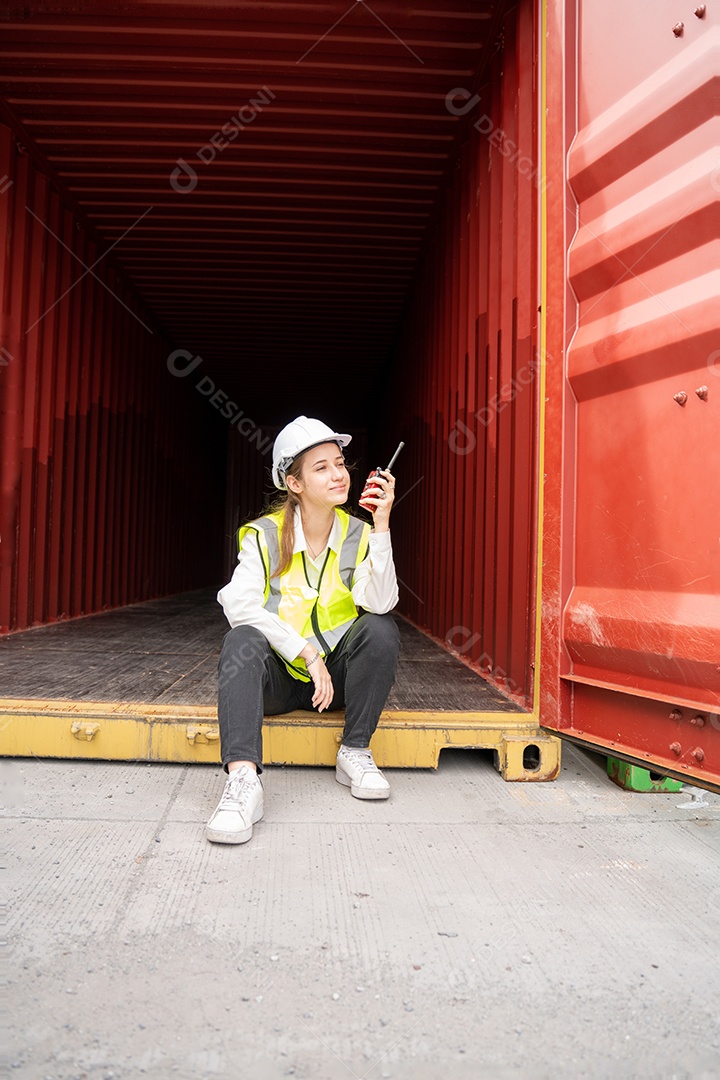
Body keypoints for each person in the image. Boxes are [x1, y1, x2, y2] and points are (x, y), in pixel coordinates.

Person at [207, 416, 401, 845]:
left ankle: (355, 751)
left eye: (340, 463)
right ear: (294, 483)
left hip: (339, 682)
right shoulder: (265, 535)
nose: (338, 475)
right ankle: (243, 784)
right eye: (321, 467)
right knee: (241, 639)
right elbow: (236, 603)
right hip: (281, 679)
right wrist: (305, 653)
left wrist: (383, 525)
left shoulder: (360, 533)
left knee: (381, 628)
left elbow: (382, 602)